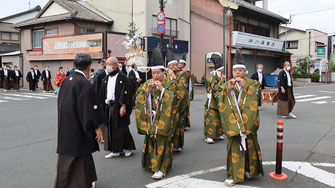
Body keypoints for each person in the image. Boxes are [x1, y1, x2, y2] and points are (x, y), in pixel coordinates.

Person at [55, 53, 106, 188]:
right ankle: (81, 183)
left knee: (70, 155)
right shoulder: (84, 83)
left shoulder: (67, 80)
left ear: (74, 65)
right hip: (79, 125)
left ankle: (83, 180)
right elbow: (88, 109)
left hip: (66, 123)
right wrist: (96, 127)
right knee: (80, 154)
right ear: (89, 67)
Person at [217, 49, 263, 186]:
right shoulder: (227, 84)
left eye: (240, 70)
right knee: (235, 148)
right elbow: (219, 96)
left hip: (248, 122)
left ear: (245, 71)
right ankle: (235, 175)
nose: (237, 73)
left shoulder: (252, 84)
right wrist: (228, 90)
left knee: (250, 147)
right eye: (235, 70)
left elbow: (257, 94)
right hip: (234, 124)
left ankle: (250, 170)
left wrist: (246, 87)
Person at [135, 47, 180, 179]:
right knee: (151, 139)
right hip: (151, 117)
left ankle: (161, 168)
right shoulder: (148, 82)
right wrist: (147, 92)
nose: (155, 76)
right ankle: (151, 163)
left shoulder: (170, 83)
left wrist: (162, 90)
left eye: (157, 73)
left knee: (162, 141)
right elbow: (138, 96)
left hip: (164, 117)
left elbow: (176, 99)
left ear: (164, 72)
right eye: (153, 73)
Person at [97, 57, 136, 159]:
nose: (107, 66)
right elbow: (102, 93)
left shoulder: (123, 77)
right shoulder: (106, 78)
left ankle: (127, 148)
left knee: (122, 127)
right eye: (106, 64)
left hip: (119, 105)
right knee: (110, 128)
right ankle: (115, 150)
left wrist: (123, 106)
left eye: (109, 64)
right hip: (108, 105)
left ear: (115, 65)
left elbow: (126, 92)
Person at [166, 49, 187, 152]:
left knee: (177, 126)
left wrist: (175, 79)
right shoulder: (164, 76)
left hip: (177, 106)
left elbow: (183, 89)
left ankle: (176, 145)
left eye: (176, 65)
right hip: (166, 106)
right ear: (167, 67)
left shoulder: (179, 76)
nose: (175, 67)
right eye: (172, 65)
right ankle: (167, 145)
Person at [204, 54, 225, 144]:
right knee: (211, 119)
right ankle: (209, 136)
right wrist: (222, 81)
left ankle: (218, 134)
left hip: (218, 101)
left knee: (218, 119)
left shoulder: (219, 77)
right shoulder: (213, 77)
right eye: (222, 70)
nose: (223, 71)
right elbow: (215, 88)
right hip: (212, 101)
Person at [177, 53, 192, 130]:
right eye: (179, 63)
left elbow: (188, 83)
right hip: (177, 92)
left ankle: (184, 124)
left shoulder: (186, 73)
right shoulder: (176, 72)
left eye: (181, 63)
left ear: (184, 65)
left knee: (185, 109)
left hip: (184, 92)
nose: (179, 65)